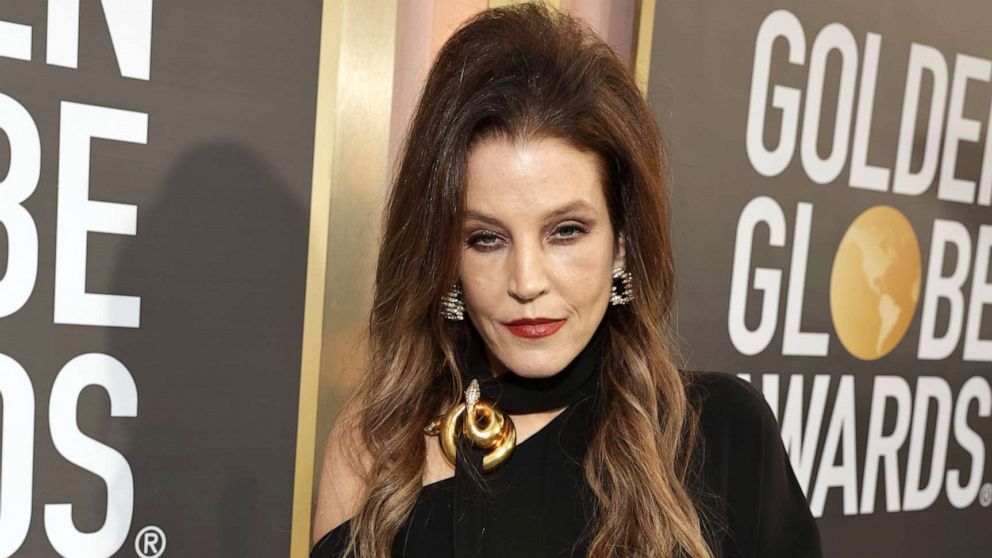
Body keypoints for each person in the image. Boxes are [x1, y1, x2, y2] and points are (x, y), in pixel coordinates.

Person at [310, 4, 822, 557]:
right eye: (486, 238)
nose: (526, 282)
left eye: (566, 231)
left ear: (622, 240)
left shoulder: (720, 435)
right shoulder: (379, 442)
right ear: (444, 256)